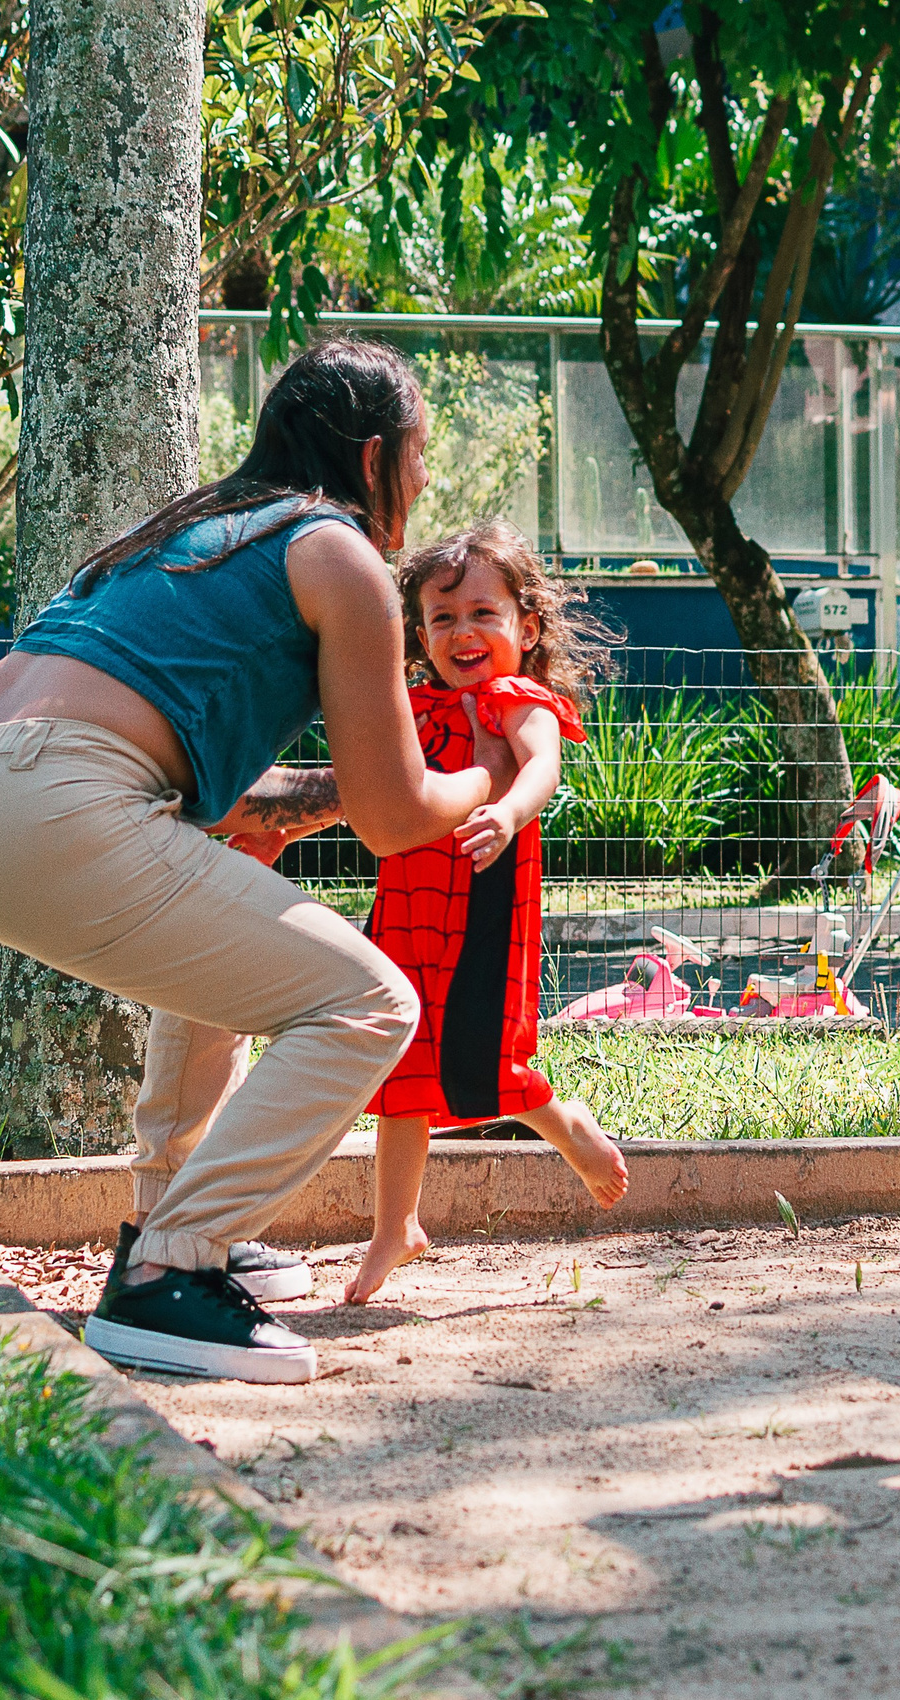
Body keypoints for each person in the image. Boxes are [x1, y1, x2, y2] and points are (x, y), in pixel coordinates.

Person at [0, 335, 502, 1385]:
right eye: (415, 461)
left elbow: (232, 780)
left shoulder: (197, 530)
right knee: (370, 1004)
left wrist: (298, 811)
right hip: (54, 798)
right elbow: (395, 813)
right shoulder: (338, 551)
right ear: (373, 457)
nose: (418, 487)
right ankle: (167, 1277)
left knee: (231, 940)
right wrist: (486, 771)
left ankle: (171, 1218)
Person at [345, 519, 630, 1306]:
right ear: (420, 635)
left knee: (479, 1056)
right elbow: (366, 788)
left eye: (482, 613)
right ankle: (395, 1227)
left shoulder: (513, 698)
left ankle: (564, 1124)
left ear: (526, 627)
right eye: (442, 618)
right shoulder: (415, 708)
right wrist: (287, 825)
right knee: (402, 1062)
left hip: (482, 902)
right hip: (406, 906)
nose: (462, 632)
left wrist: (506, 812)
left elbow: (543, 765)